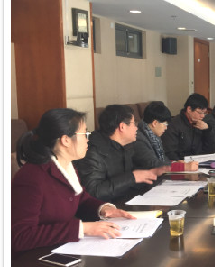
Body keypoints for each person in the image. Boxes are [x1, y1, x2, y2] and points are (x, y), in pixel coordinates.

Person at [11, 108, 135, 252]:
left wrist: (104, 209)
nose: (88, 139)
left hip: (61, 249)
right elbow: (19, 236)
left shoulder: (67, 166)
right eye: (85, 134)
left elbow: (80, 199)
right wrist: (82, 228)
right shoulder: (31, 177)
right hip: (32, 259)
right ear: (66, 140)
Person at [77, 105, 166, 202]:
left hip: (126, 203)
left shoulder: (127, 146)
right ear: (122, 126)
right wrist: (132, 177)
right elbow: (93, 192)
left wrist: (151, 176)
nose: (136, 128)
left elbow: (133, 180)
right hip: (106, 208)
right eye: (133, 124)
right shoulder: (93, 152)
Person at [133, 101, 199, 173]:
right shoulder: (139, 140)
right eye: (165, 124)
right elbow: (153, 165)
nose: (166, 128)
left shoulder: (154, 136)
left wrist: (175, 163)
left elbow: (162, 159)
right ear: (155, 123)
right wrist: (184, 167)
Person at [162, 93, 211, 160]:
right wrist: (184, 164)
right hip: (182, 162)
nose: (202, 116)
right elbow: (170, 153)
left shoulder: (201, 123)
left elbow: (209, 148)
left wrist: (208, 130)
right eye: (200, 113)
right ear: (189, 109)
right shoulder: (173, 125)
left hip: (199, 160)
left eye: (204, 113)